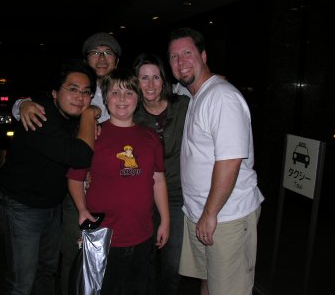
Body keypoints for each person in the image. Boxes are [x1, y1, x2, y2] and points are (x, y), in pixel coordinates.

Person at [11, 32, 122, 295]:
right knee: (53, 267)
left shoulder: (125, 90)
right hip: (54, 198)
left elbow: (158, 88)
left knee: (54, 268)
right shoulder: (73, 101)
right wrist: (22, 104)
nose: (102, 58)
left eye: (108, 53)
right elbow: (76, 152)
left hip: (66, 197)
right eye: (96, 52)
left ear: (118, 61)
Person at [167, 27, 264, 295]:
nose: (181, 61)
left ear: (204, 55)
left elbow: (230, 161)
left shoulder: (222, 97)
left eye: (187, 53)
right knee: (208, 282)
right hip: (201, 214)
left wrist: (210, 213)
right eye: (174, 57)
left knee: (229, 290)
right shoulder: (197, 94)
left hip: (225, 217)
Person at [0, 59, 101, 295]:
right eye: (72, 89)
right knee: (21, 282)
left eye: (86, 93)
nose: (80, 97)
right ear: (55, 92)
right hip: (22, 207)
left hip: (52, 206)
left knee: (46, 272)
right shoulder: (40, 116)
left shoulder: (69, 119)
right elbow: (80, 156)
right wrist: (90, 115)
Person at [68, 68, 170, 295]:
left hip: (142, 235)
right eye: (115, 93)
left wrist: (165, 219)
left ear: (138, 98)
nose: (122, 99)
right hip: (103, 238)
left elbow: (159, 179)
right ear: (105, 99)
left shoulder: (150, 137)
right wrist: (82, 209)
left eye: (129, 93)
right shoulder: (94, 134)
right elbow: (75, 178)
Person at [132, 53, 189, 295]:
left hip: (176, 192)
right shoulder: (131, 115)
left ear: (164, 80)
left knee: (173, 262)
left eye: (156, 77)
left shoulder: (184, 106)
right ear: (135, 82)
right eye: (144, 78)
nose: (151, 84)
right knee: (142, 258)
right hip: (142, 195)